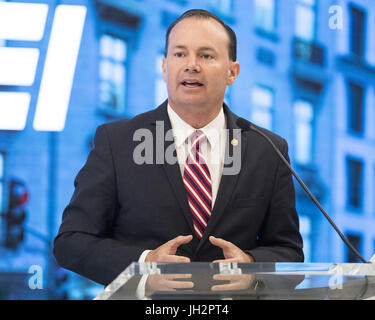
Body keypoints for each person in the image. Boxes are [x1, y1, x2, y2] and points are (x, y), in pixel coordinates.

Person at [53, 9, 304, 287]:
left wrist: (253, 268)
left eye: (206, 55)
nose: (191, 65)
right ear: (164, 66)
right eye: (179, 54)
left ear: (232, 72)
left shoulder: (268, 149)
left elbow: (290, 253)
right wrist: (144, 267)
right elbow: (72, 242)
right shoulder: (117, 141)